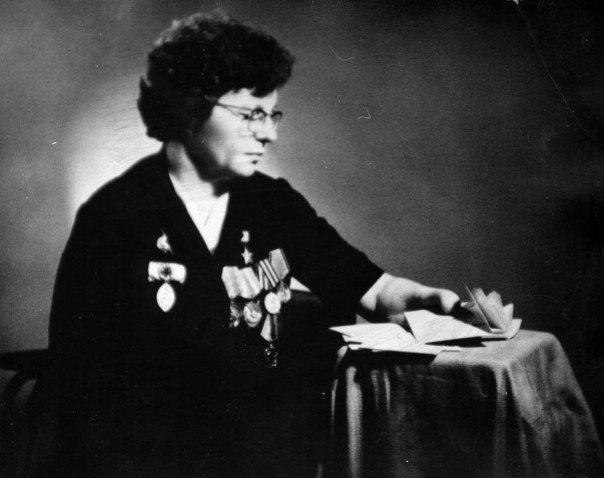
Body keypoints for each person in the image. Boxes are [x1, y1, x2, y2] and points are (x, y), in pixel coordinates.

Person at [29, 11, 459, 478]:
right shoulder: (113, 220)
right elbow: (79, 392)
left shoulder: (273, 203)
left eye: (272, 114)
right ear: (190, 107)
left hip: (261, 456)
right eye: (251, 114)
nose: (269, 133)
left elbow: (373, 290)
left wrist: (434, 300)